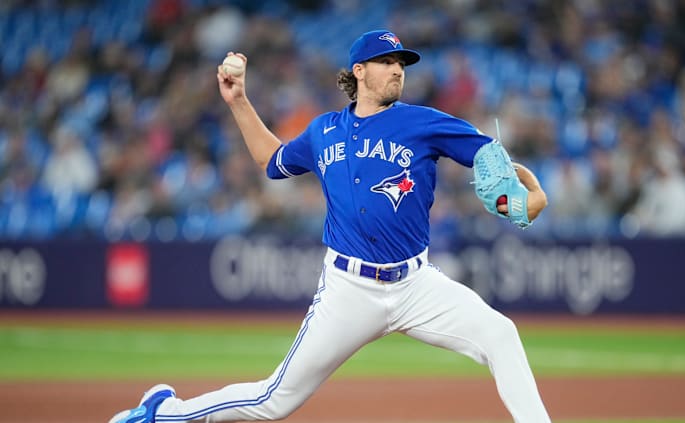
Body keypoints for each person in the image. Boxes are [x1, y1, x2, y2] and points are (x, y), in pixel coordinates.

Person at [109, 29, 551, 423]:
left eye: (401, 63)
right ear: (359, 71)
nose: (398, 70)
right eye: (387, 62)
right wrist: (239, 101)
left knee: (501, 334)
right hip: (349, 288)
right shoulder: (324, 131)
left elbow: (489, 163)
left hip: (417, 285)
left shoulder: (424, 122)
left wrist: (522, 200)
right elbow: (272, 161)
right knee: (274, 400)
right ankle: (164, 412)